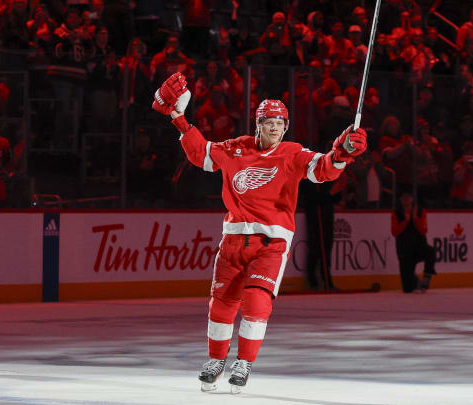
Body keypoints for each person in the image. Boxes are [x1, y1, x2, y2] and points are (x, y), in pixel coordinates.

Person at [152, 72, 367, 393]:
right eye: (270, 123)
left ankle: (244, 361)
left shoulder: (293, 153)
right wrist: (178, 119)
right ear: (258, 125)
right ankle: (215, 359)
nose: (276, 128)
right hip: (234, 239)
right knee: (222, 302)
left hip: (272, 242)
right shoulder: (236, 148)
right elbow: (202, 154)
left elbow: (322, 168)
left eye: (281, 123)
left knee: (256, 299)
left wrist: (342, 153)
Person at [391, 189, 437, 293]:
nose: (406, 199)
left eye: (408, 197)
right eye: (404, 197)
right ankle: (414, 279)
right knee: (407, 289)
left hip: (419, 248)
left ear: (412, 198)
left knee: (431, 251)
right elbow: (395, 232)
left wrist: (415, 218)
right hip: (404, 252)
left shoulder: (420, 211)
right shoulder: (396, 213)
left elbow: (423, 230)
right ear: (400, 199)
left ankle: (427, 275)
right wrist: (406, 221)